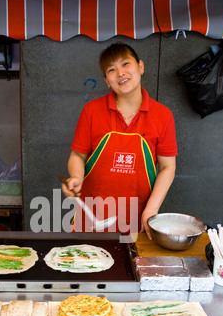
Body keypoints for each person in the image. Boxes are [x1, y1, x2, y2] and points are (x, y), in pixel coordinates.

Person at [61, 42, 177, 238]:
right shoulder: (92, 111)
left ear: (140, 66)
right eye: (112, 70)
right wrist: (76, 178)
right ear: (106, 80)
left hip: (138, 221)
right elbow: (77, 155)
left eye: (125, 64)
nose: (120, 73)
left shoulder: (163, 115)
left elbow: (168, 167)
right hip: (90, 219)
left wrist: (151, 210)